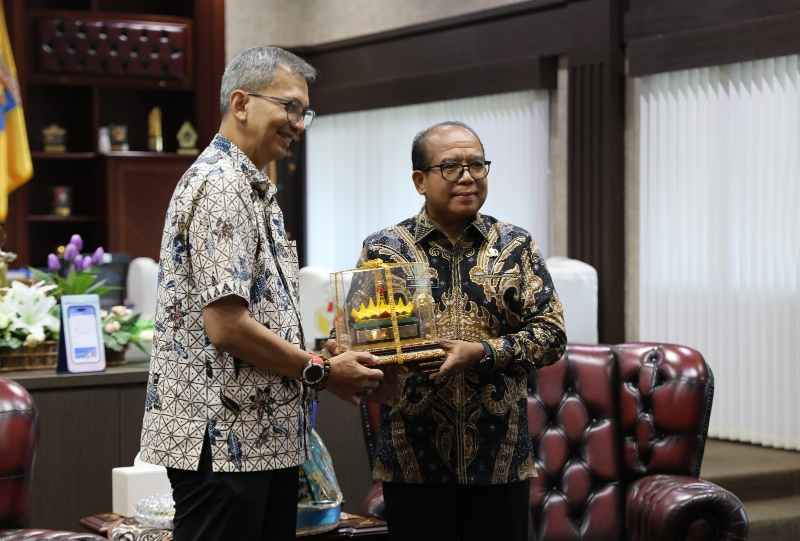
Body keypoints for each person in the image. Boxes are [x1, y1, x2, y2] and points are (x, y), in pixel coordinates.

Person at [139, 46, 383, 541]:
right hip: (225, 441)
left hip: (258, 440)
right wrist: (320, 370)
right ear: (242, 102)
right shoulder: (221, 184)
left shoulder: (252, 186)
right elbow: (226, 327)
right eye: (289, 107)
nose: (299, 123)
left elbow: (257, 314)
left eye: (305, 112)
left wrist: (317, 354)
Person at [343, 121, 567, 541]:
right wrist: (357, 358)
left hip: (500, 462)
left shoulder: (515, 245)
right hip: (413, 464)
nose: (468, 177)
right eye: (451, 167)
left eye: (477, 165)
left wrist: (482, 351)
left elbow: (552, 335)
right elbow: (360, 343)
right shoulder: (386, 250)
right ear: (419, 180)